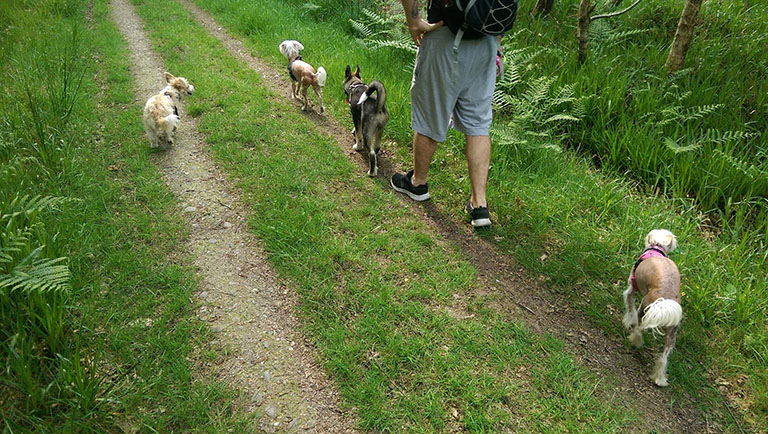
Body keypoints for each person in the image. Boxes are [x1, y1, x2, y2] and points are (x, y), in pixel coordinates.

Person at [392, 0, 498, 228]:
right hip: (487, 42)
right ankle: (479, 205)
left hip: (444, 36)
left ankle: (418, 183)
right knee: (478, 124)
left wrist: (413, 21)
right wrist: (496, 38)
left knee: (431, 113)